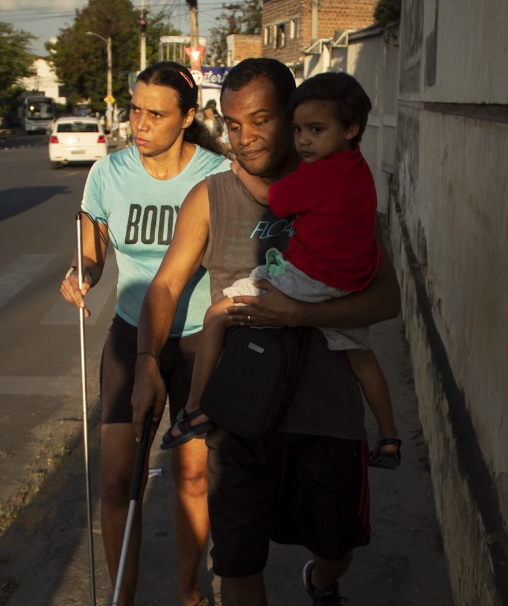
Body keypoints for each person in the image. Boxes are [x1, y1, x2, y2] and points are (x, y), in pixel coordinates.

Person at [132, 58, 400, 606]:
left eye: (263, 119)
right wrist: (145, 363)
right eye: (233, 120)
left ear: (296, 116)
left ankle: (321, 579)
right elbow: (164, 287)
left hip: (328, 411)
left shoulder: (342, 186)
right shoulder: (212, 196)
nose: (245, 135)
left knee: (336, 542)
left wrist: (297, 317)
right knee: (239, 560)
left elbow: (388, 299)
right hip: (242, 414)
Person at [59, 60, 229, 606]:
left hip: (195, 345)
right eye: (134, 109)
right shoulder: (108, 172)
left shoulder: (216, 176)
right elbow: (95, 254)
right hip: (131, 338)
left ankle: (187, 586)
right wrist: (81, 273)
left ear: (187, 118)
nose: (140, 123)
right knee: (114, 481)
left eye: (156, 113)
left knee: (190, 476)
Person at [159, 72, 402, 469]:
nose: (305, 140)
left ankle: (196, 406)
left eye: (315, 130)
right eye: (299, 129)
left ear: (350, 128)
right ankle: (390, 437)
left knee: (218, 313)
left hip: (306, 281)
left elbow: (275, 199)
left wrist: (239, 172)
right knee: (363, 357)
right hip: (350, 282)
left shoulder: (320, 174)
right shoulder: (359, 168)